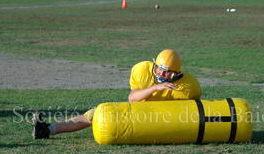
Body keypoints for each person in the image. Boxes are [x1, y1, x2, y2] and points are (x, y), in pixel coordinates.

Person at [33, 49, 202, 139]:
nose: (162, 75)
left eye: (167, 72)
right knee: (95, 114)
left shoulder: (188, 85)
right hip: (140, 113)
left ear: (176, 73)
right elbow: (132, 98)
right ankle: (48, 130)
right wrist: (155, 88)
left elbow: (195, 111)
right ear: (154, 65)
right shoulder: (141, 70)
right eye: (160, 69)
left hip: (163, 120)